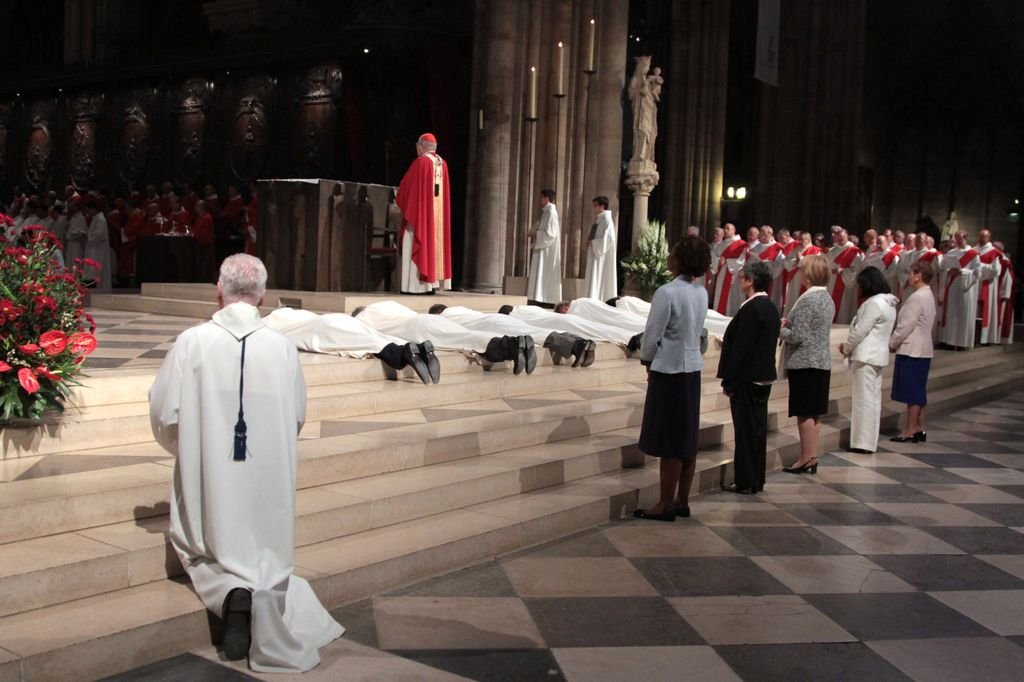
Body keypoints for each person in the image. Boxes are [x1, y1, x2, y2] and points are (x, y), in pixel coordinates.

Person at [149, 254, 344, 670]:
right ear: (263, 295)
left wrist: (193, 452)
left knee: (198, 546)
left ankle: (230, 594)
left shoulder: (192, 342)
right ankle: (261, 593)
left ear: (219, 290)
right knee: (267, 552)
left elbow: (165, 414)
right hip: (267, 477)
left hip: (210, 479)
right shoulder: (282, 346)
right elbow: (296, 416)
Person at [633, 236, 711, 521]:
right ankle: (681, 500)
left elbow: (653, 333)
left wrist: (647, 359)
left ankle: (665, 504)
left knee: (669, 440)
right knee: (687, 438)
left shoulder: (667, 292)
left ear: (679, 258)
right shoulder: (701, 292)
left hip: (669, 371)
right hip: (692, 369)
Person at [718, 261, 781, 494]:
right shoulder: (770, 307)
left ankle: (745, 481)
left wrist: (729, 380)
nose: (738, 279)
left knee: (745, 432)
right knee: (756, 431)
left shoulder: (752, 309)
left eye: (742, 276)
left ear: (751, 281)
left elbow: (741, 349)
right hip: (762, 376)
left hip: (747, 379)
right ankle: (756, 479)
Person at [265, 307, 438, 384]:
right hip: (336, 318)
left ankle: (400, 353)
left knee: (360, 341)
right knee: (370, 336)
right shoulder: (298, 314)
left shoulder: (271, 321)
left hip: (321, 327)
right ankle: (416, 348)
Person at [357, 301, 535, 374]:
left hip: (417, 328)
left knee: (462, 340)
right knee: (465, 335)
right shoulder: (388, 304)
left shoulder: (363, 316)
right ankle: (514, 343)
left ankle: (509, 348)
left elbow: (362, 331)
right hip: (426, 320)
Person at [780, 254, 835, 474]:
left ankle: (805, 458)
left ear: (809, 275)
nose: (800, 274)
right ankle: (811, 456)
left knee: (805, 412)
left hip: (805, 362)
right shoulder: (826, 298)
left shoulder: (808, 299)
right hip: (820, 361)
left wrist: (780, 327)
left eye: (802, 270)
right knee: (814, 413)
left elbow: (797, 335)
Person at [839, 267, 898, 453]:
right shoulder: (889, 302)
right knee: (872, 401)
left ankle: (862, 443)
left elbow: (860, 330)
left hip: (866, 357)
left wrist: (846, 347)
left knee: (863, 400)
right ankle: (869, 441)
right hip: (878, 355)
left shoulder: (873, 303)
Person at [433, 304, 594, 367]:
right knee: (534, 330)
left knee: (532, 334)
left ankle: (576, 346)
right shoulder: (463, 309)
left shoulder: (446, 315)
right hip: (495, 319)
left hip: (490, 324)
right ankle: (579, 343)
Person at [396, 133, 452, 294]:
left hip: (420, 217)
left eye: (417, 146)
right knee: (436, 243)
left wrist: (399, 196)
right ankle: (432, 285)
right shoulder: (443, 165)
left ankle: (416, 286)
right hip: (437, 219)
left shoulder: (420, 163)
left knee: (415, 240)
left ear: (421, 146)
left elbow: (407, 189)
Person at [889, 260, 937, 442]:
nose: (908, 276)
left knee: (912, 391)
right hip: (922, 348)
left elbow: (906, 325)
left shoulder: (918, 297)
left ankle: (909, 429)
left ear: (919, 275)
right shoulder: (927, 294)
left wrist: (892, 342)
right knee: (918, 390)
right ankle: (919, 427)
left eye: (911, 273)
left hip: (912, 349)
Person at [937, 231, 980, 349]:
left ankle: (962, 343)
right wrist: (949, 271)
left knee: (962, 314)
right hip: (951, 286)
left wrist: (961, 271)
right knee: (951, 313)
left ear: (966, 238)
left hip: (965, 288)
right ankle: (949, 341)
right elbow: (943, 268)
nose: (957, 241)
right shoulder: (951, 253)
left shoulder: (973, 254)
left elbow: (977, 273)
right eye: (956, 239)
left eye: (959, 239)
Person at [527, 188, 562, 304]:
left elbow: (550, 234)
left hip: (547, 251)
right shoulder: (546, 212)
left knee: (544, 272)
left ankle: (544, 298)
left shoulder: (551, 213)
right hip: (542, 248)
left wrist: (536, 234)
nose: (539, 199)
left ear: (547, 198)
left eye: (541, 197)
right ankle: (538, 297)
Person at [584, 195, 618, 301]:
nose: (594, 208)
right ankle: (591, 298)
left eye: (595, 205)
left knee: (597, 276)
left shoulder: (607, 219)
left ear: (602, 206)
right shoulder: (600, 219)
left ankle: (596, 298)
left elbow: (609, 239)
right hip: (595, 251)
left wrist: (594, 243)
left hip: (600, 255)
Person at [826, 227, 863, 323]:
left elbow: (856, 270)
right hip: (831, 283)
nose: (840, 240)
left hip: (845, 284)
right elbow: (825, 263)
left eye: (842, 238)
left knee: (844, 310)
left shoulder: (854, 251)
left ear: (847, 236)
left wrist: (842, 271)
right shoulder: (833, 250)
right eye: (838, 239)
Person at [783, 231, 823, 316]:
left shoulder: (816, 251)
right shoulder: (794, 250)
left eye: (802, 239)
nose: (800, 242)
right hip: (795, 280)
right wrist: (796, 261)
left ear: (808, 239)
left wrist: (801, 259)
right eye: (799, 239)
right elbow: (786, 263)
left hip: (808, 279)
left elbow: (816, 265)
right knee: (793, 299)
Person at [711, 222, 747, 315]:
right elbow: (714, 257)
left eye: (728, 229)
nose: (726, 230)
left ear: (734, 230)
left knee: (733, 299)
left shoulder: (741, 244)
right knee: (720, 298)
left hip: (734, 276)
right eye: (725, 229)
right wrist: (718, 261)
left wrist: (726, 262)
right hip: (721, 276)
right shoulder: (720, 244)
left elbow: (741, 261)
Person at [975, 229, 1003, 345]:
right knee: (975, 312)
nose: (982, 239)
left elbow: (996, 271)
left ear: (989, 238)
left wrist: (979, 267)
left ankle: (985, 338)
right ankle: (974, 336)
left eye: (984, 237)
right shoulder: (974, 250)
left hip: (987, 284)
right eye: (980, 236)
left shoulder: (994, 252)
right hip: (974, 284)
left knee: (986, 311)